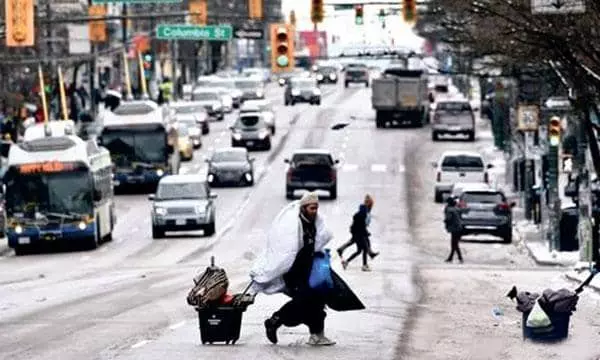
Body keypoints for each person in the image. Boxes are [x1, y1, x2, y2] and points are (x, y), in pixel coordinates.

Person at [251, 191, 336, 346]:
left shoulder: (314, 224)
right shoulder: (293, 226)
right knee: (303, 302)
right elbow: (285, 251)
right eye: (312, 208)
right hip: (294, 273)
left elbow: (317, 244)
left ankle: (317, 335)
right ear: (303, 208)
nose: (315, 211)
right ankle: (274, 321)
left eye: (316, 208)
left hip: (309, 272)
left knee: (316, 301)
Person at [337, 194, 379, 263]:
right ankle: (366, 260)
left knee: (358, 244)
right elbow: (362, 224)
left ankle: (341, 250)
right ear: (370, 205)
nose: (372, 207)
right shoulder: (364, 212)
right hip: (359, 232)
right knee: (363, 247)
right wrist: (366, 232)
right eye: (371, 205)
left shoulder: (364, 211)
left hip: (358, 231)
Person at [340, 203, 372, 271]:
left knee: (359, 251)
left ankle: (346, 262)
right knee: (364, 250)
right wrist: (366, 233)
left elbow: (354, 226)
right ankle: (364, 265)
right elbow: (362, 227)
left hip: (357, 235)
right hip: (360, 236)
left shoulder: (357, 215)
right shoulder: (362, 216)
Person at [444, 196, 463, 263]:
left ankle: (459, 258)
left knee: (454, 244)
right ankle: (452, 257)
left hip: (454, 228)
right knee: (454, 243)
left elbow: (448, 219)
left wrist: (446, 222)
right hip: (458, 227)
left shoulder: (449, 210)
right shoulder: (456, 209)